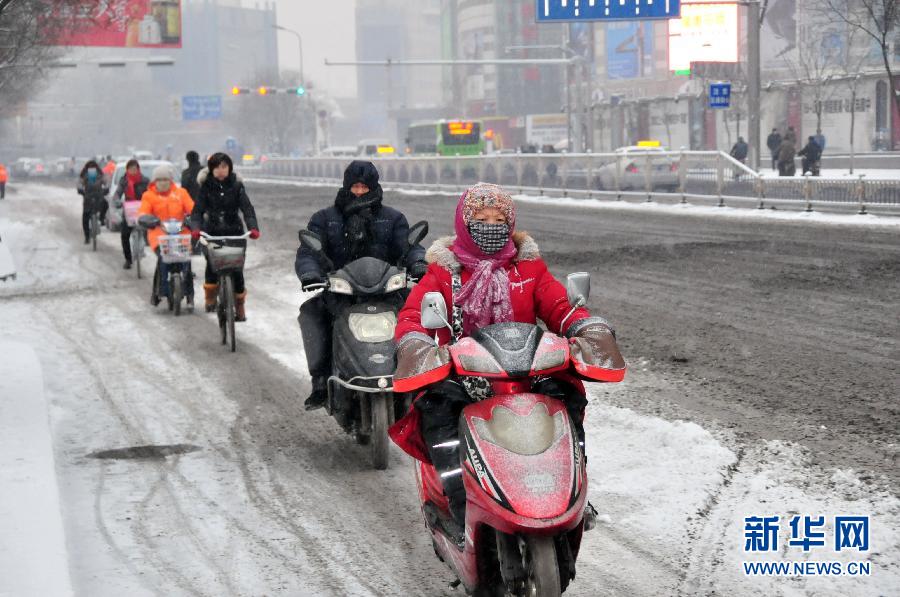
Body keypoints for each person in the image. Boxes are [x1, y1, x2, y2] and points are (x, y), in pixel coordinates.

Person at [389, 182, 624, 535]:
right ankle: (459, 503)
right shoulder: (443, 272)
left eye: (499, 218)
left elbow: (559, 306)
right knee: (439, 413)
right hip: (463, 373)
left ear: (511, 224)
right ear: (464, 222)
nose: (490, 225)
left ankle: (570, 489)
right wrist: (415, 342)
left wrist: (585, 326)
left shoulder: (528, 268)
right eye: (480, 218)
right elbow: (412, 315)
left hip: (526, 370)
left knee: (567, 398)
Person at [295, 160, 428, 410]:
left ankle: (420, 378)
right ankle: (322, 380)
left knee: (422, 315)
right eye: (354, 186)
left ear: (373, 187)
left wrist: (419, 262)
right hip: (341, 293)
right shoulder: (325, 219)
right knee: (313, 313)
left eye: (364, 187)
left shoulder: (393, 218)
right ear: (346, 186)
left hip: (388, 292)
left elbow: (409, 246)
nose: (359, 192)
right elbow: (308, 251)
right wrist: (310, 273)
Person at [190, 152, 259, 320]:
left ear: (229, 168)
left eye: (224, 167)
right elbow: (197, 211)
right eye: (217, 167)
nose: (221, 171)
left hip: (234, 232)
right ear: (211, 169)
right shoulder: (205, 187)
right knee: (212, 265)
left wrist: (253, 228)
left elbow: (247, 209)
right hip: (211, 232)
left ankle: (240, 306)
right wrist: (196, 228)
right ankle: (210, 297)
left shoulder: (237, 186)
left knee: (237, 270)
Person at [138, 165, 195, 308]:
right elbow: (143, 212)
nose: (163, 182)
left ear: (171, 180)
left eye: (165, 179)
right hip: (159, 235)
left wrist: (193, 218)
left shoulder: (181, 193)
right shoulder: (148, 196)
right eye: (159, 180)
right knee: (162, 260)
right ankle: (158, 291)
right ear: (154, 181)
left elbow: (192, 208)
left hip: (181, 235)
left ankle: (190, 295)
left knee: (186, 263)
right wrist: (148, 220)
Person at [112, 159, 149, 269]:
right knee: (124, 235)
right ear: (127, 170)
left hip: (143, 209)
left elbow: (152, 192)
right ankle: (128, 259)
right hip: (129, 211)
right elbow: (117, 193)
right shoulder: (124, 181)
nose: (133, 171)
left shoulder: (145, 180)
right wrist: (117, 201)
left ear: (138, 169)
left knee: (150, 230)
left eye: (135, 169)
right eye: (130, 169)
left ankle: (144, 248)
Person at [76, 160, 109, 244]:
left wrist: (106, 188)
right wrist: (80, 190)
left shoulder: (100, 175)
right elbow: (79, 183)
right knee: (85, 217)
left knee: (105, 204)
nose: (92, 170)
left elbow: (106, 182)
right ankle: (87, 237)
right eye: (90, 168)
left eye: (93, 168)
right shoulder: (84, 176)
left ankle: (101, 219)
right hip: (88, 197)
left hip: (99, 196)